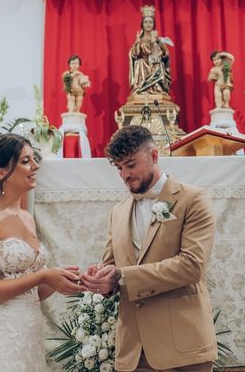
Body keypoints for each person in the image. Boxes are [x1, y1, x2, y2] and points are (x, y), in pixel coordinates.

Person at [81, 125, 217, 371]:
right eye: (119, 168)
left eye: (131, 165)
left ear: (154, 156)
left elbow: (191, 266)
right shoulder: (118, 212)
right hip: (133, 351)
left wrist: (122, 276)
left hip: (183, 346)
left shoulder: (194, 200)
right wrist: (103, 279)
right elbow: (113, 265)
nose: (124, 175)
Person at [0, 134, 86, 371]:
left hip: (26, 340)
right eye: (25, 161)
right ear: (0, 172)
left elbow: (31, 293)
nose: (35, 166)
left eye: (34, 159)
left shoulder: (26, 217)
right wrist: (43, 276)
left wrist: (59, 279)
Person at [129, 5, 172, 96]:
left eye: (150, 22)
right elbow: (133, 55)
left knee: (159, 64)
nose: (148, 24)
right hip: (142, 66)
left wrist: (157, 44)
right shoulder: (139, 40)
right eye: (146, 22)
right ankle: (141, 89)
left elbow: (166, 54)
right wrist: (137, 45)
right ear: (142, 24)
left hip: (155, 65)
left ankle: (157, 88)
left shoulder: (159, 39)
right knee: (140, 62)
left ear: (154, 24)